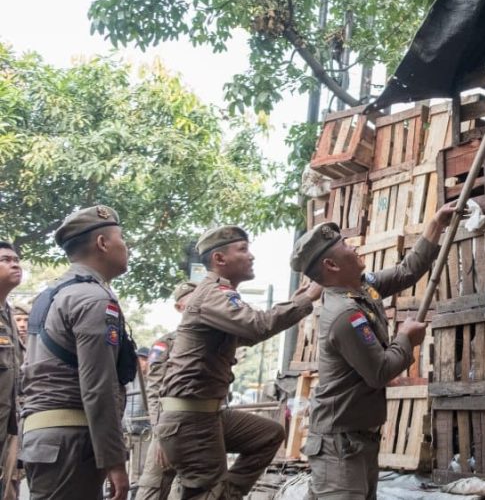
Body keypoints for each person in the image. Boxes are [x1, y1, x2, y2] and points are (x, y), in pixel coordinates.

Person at [291, 203, 458, 499]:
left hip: (357, 440)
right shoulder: (344, 313)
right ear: (331, 265)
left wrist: (436, 224)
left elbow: (406, 272)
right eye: (345, 245)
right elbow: (379, 372)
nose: (353, 246)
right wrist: (406, 339)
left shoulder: (361, 288)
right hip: (339, 446)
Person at [155, 226, 321, 499]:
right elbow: (257, 326)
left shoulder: (221, 294)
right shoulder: (213, 294)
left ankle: (225, 495)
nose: (251, 256)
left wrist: (293, 304)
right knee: (203, 490)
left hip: (205, 415)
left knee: (267, 435)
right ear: (219, 259)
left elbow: (248, 334)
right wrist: (305, 300)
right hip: (191, 418)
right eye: (243, 249)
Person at [19, 206, 133, 499]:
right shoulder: (93, 298)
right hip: (72, 440)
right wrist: (114, 459)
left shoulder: (52, 294)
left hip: (44, 435)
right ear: (103, 243)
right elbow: (98, 386)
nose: (126, 247)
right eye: (122, 238)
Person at [135, 281, 195, 500]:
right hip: (169, 425)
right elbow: (154, 390)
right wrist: (160, 433)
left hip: (203, 427)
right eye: (192, 302)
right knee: (153, 486)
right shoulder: (166, 343)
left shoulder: (216, 340)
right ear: (179, 307)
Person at [0, 243, 22, 500]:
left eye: (16, 260)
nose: (15, 264)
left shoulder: (9, 315)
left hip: (8, 429)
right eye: (6, 259)